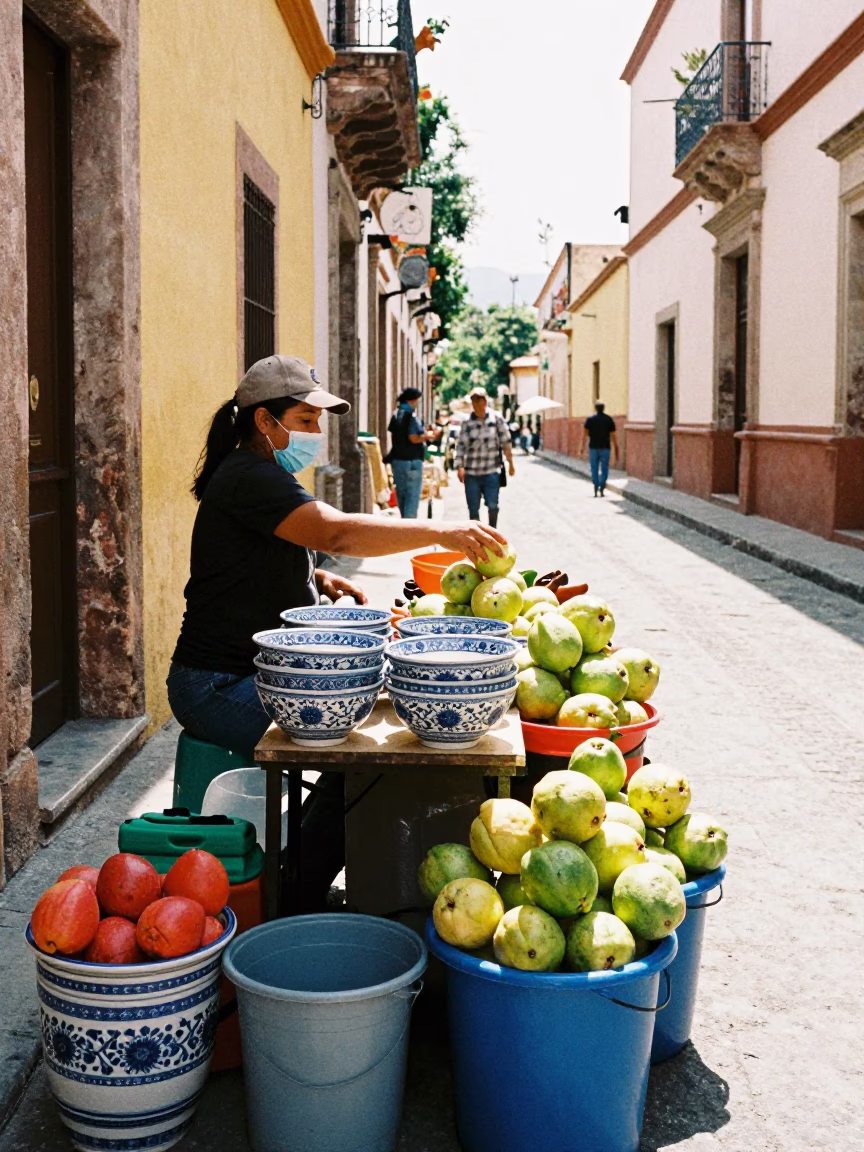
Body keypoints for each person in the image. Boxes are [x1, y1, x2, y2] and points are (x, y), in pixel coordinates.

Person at [167, 354, 507, 910]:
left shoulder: (261, 472)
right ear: (264, 421)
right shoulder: (248, 475)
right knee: (356, 755)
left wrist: (317, 580)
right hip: (214, 685)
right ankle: (292, 894)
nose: (316, 433)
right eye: (304, 420)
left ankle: (296, 869)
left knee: (358, 729)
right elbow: (336, 532)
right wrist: (441, 530)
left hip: (245, 673)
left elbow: (257, 556)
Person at [454, 387, 515, 528]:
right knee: (473, 509)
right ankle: (477, 538)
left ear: (485, 402)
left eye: (479, 401)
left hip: (491, 471)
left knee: (493, 505)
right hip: (472, 473)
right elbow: (461, 446)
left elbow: (506, 442)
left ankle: (492, 534)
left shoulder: (496, 419)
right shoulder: (467, 423)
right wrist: (459, 467)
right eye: (474, 402)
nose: (477, 405)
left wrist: (511, 463)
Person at [386, 388, 434, 519]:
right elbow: (413, 437)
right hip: (412, 461)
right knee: (412, 498)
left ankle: (403, 527)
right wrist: (427, 437)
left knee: (401, 496)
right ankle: (410, 530)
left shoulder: (396, 414)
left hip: (397, 462)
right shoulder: (412, 416)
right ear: (412, 400)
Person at [580, 400, 619, 496]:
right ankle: (602, 487)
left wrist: (582, 447)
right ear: (604, 408)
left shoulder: (590, 419)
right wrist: (616, 448)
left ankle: (595, 485)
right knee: (604, 468)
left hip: (593, 447)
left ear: (595, 408)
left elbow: (584, 435)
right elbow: (613, 436)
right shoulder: (609, 419)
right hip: (606, 447)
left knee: (594, 468)